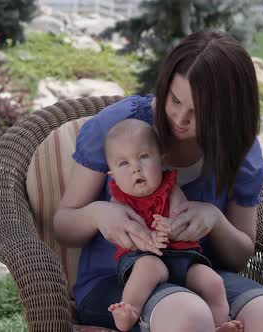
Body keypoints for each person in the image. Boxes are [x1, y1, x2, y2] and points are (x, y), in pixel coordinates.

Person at [54, 30, 263, 332]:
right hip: (119, 283)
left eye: (199, 112)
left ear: (229, 113)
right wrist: (97, 214)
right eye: (174, 100)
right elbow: (63, 226)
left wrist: (216, 221)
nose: (180, 119)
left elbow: (239, 257)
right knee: (188, 315)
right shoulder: (117, 128)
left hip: (198, 274)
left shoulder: (239, 149)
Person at [103, 118, 243, 332]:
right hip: (144, 257)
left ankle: (219, 323)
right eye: (124, 163)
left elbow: (181, 214)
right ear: (112, 175)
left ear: (161, 160)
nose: (136, 169)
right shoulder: (119, 200)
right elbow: (127, 233)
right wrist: (149, 240)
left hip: (183, 257)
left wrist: (168, 226)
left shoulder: (170, 187)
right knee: (147, 270)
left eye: (143, 157)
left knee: (212, 281)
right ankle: (129, 310)